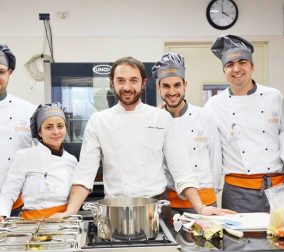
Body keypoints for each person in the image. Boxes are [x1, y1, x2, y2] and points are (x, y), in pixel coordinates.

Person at [54, 56, 233, 217]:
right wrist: (70, 211)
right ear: (112, 83)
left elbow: (181, 168)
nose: (127, 87)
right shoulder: (99, 121)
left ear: (143, 82)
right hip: (115, 209)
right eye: (120, 80)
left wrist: (200, 208)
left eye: (133, 80)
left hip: (155, 208)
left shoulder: (161, 118)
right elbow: (85, 173)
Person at [204, 35, 284, 213]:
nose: (236, 69)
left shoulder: (274, 96)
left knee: (281, 238)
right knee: (237, 240)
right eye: (229, 64)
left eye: (242, 62)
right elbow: (211, 152)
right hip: (238, 192)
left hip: (279, 189)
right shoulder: (214, 105)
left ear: (252, 67)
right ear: (224, 71)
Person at [152, 52, 222, 214]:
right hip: (169, 204)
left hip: (204, 201)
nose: (172, 91)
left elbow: (215, 158)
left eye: (177, 85)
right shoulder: (155, 121)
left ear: (185, 85)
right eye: (166, 86)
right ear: (158, 88)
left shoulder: (204, 116)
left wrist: (212, 192)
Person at [0, 104, 78, 220]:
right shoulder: (24, 156)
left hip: (64, 224)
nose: (56, 132)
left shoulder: (72, 160)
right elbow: (9, 191)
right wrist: (2, 213)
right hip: (32, 225)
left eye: (60, 126)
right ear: (39, 132)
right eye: (49, 127)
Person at [0, 43, 36, 216]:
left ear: (10, 72)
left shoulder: (28, 111)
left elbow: (46, 154)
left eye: (0, 71)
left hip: (19, 202)